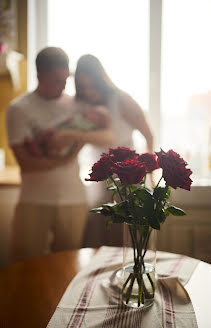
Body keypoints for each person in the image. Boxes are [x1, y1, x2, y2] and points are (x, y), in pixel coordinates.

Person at [6, 47, 116, 262]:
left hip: (73, 200)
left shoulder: (77, 106)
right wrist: (66, 158)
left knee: (66, 267)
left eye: (65, 79)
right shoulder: (18, 109)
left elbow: (110, 137)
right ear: (39, 75)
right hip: (33, 200)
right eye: (57, 80)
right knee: (25, 267)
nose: (64, 85)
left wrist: (73, 135)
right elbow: (26, 164)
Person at [74, 54, 154, 247]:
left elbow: (149, 135)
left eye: (92, 86)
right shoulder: (83, 107)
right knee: (99, 238)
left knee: (128, 237)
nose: (88, 92)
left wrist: (149, 172)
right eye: (83, 87)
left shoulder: (121, 99)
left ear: (101, 80)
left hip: (129, 177)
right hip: (100, 180)